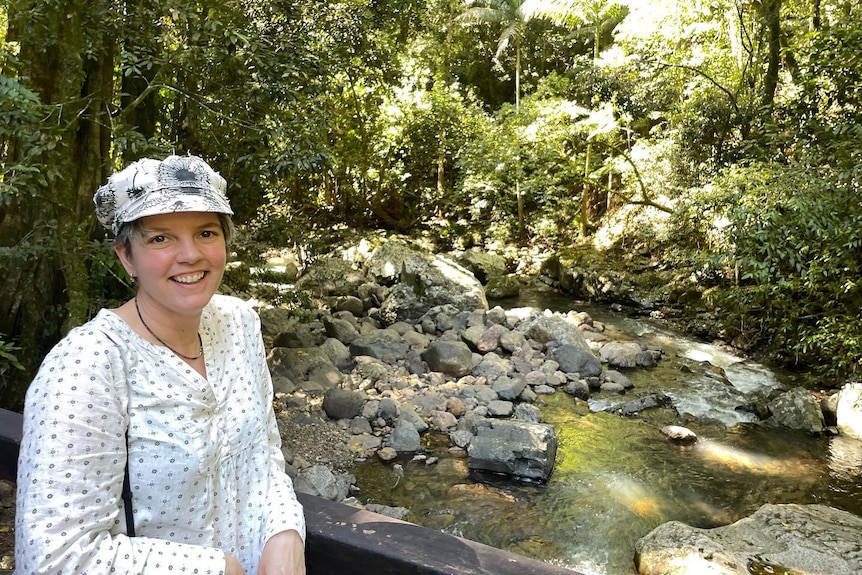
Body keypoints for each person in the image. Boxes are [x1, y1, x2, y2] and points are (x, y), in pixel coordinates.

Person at [15, 154, 306, 575]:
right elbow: (53, 558)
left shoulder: (239, 323)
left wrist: (284, 531)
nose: (190, 255)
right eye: (160, 239)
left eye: (206, 232)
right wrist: (220, 568)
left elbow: (264, 453)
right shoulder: (86, 366)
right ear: (126, 258)